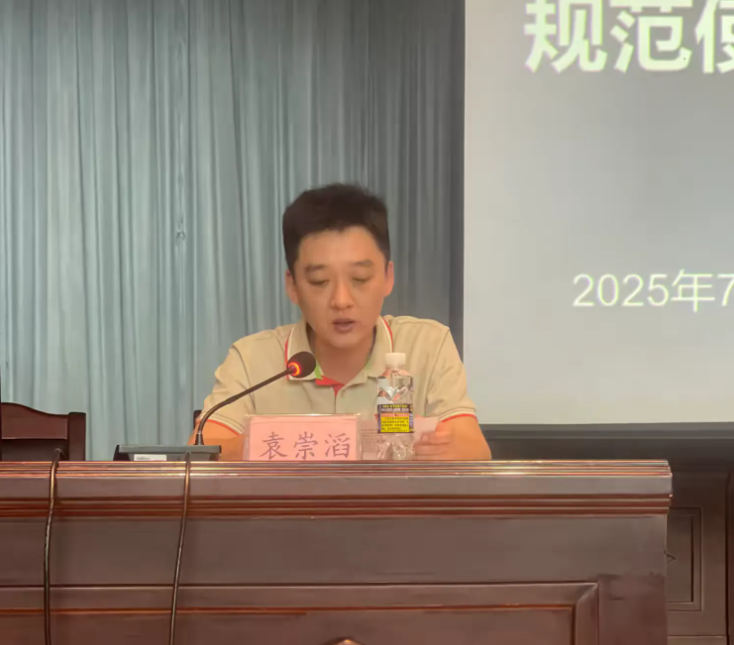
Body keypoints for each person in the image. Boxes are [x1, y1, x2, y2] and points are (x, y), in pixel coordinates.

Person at [191, 184, 491, 461]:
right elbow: (202, 451)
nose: (341, 300)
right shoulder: (251, 359)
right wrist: (291, 442)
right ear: (293, 286)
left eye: (359, 279)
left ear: (388, 277)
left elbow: (474, 448)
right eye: (320, 281)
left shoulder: (427, 345)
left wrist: (432, 446)